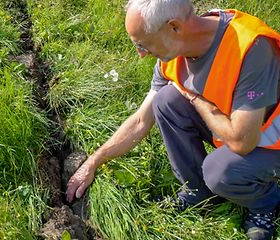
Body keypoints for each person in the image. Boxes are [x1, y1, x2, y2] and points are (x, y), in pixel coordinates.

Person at [66, 0, 280, 239]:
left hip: (270, 140)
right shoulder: (174, 53)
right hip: (232, 125)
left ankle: (264, 203)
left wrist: (197, 100)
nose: (140, 54)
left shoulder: (250, 48)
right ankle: (198, 190)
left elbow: (243, 142)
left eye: (143, 44)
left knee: (220, 172)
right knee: (166, 100)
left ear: (174, 27)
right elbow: (140, 121)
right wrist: (95, 160)